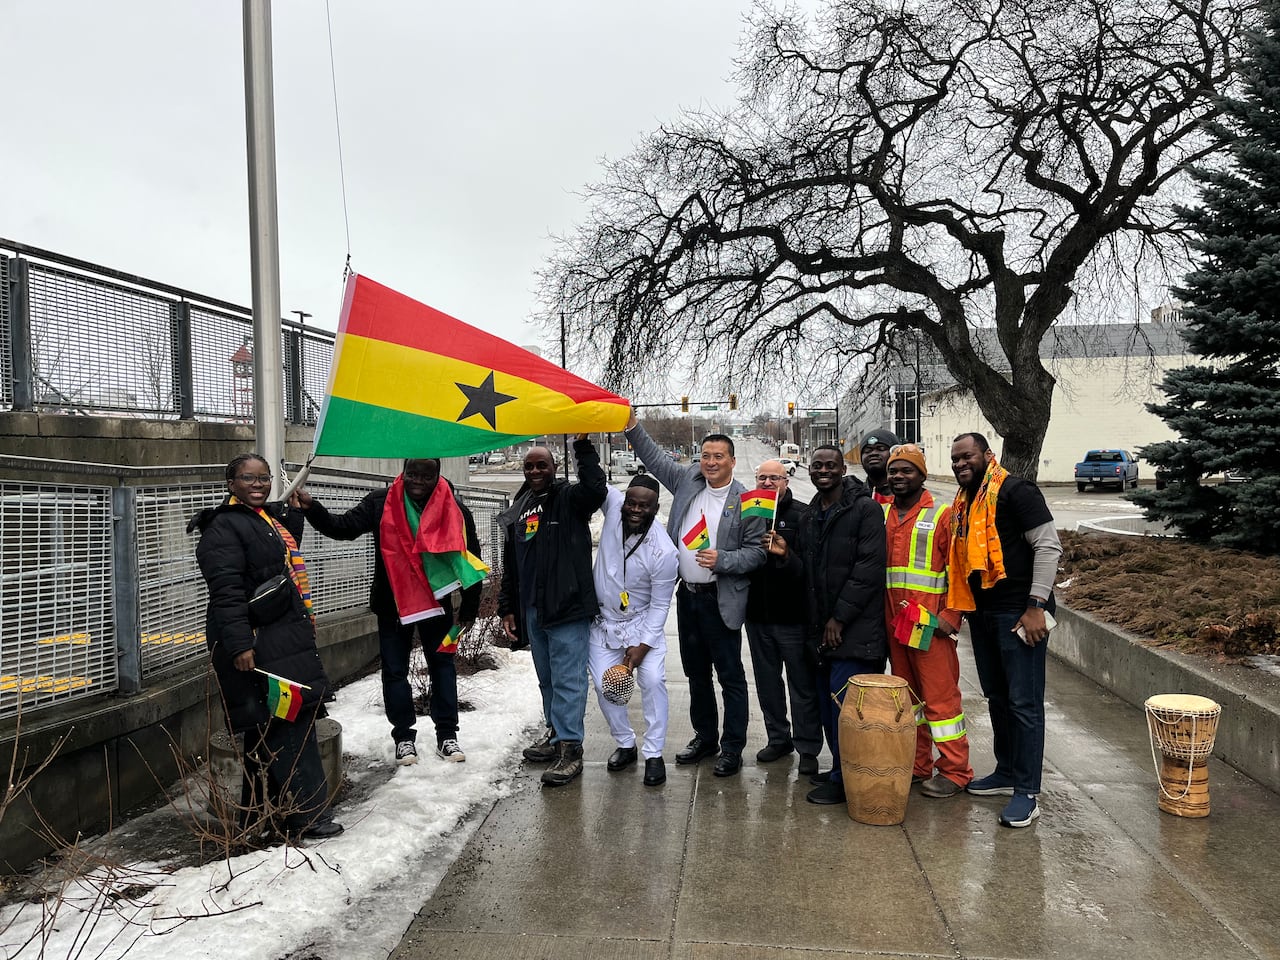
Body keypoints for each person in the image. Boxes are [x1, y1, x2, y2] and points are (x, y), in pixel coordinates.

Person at [188, 454, 342, 840]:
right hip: (256, 642)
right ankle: (309, 816)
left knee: (265, 727)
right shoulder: (223, 529)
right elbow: (226, 594)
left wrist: (295, 511)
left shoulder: (263, 520)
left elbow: (275, 557)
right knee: (289, 724)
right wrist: (241, 645)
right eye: (248, 478)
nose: (258, 484)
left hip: (278, 638)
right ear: (230, 483)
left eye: (264, 478)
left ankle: (259, 815)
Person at [298, 458, 482, 766]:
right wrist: (311, 507)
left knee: (443, 668)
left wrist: (470, 606)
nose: (418, 480)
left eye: (426, 474)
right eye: (412, 473)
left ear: (437, 474)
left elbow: (469, 557)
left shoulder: (454, 507)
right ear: (403, 471)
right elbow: (342, 528)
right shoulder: (379, 503)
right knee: (395, 672)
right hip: (392, 605)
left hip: (438, 605)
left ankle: (447, 735)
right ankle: (404, 739)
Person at [625, 414, 766, 777]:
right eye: (706, 455)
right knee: (696, 674)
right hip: (687, 598)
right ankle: (706, 737)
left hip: (721, 599)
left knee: (730, 676)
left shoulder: (747, 500)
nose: (711, 463)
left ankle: (732, 747)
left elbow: (757, 552)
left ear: (732, 461)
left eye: (719, 456)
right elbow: (655, 458)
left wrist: (724, 560)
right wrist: (630, 426)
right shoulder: (688, 480)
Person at [948, 432, 1063, 828]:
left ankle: (1027, 792)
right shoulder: (965, 503)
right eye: (955, 459)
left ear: (987, 455)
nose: (961, 464)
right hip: (982, 614)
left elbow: (1048, 547)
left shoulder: (1016, 491)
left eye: (967, 456)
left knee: (1024, 703)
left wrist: (1035, 606)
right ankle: (1007, 770)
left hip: (1018, 614)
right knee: (997, 697)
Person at [498, 437, 607, 787]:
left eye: (541, 464)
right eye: (529, 466)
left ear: (554, 467)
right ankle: (556, 735)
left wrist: (584, 447)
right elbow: (512, 562)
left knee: (569, 680)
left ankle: (571, 750)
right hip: (533, 608)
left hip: (566, 608)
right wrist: (508, 607)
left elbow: (594, 489)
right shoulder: (522, 504)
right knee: (547, 679)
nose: (534, 471)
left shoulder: (569, 499)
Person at [783, 444, 887, 805]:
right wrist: (786, 555)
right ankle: (841, 769)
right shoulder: (812, 514)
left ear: (843, 469)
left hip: (854, 630)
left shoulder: (866, 510)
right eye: (816, 465)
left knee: (848, 710)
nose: (823, 470)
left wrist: (839, 618)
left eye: (830, 465)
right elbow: (809, 574)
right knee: (829, 707)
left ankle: (847, 779)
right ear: (809, 471)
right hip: (821, 630)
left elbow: (868, 570)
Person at [882, 444, 972, 798]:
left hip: (928, 625)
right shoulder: (882, 514)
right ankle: (918, 765)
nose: (898, 477)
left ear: (921, 474)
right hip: (894, 624)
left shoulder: (943, 515)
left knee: (941, 701)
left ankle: (955, 770)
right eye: (894, 471)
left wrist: (950, 618)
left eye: (907, 470)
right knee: (909, 701)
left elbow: (960, 571)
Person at [588, 474, 679, 787]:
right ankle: (625, 744)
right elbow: (593, 478)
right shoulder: (613, 508)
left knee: (652, 681)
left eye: (644, 505)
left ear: (655, 509)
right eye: (632, 502)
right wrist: (584, 442)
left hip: (642, 624)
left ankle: (654, 753)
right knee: (605, 686)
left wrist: (642, 646)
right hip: (604, 623)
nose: (635, 509)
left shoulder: (664, 552)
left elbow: (660, 606)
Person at [744, 460, 822, 776]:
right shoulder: (748, 513)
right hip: (757, 616)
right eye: (761, 477)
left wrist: (786, 555)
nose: (767, 482)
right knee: (767, 684)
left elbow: (809, 571)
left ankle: (808, 747)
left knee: (801, 687)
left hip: (793, 617)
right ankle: (778, 738)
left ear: (786, 481)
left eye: (774, 477)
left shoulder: (802, 516)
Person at [859, 428, 901, 503]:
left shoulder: (908, 495)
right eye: (868, 450)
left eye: (881, 449)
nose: (873, 453)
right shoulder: (855, 495)